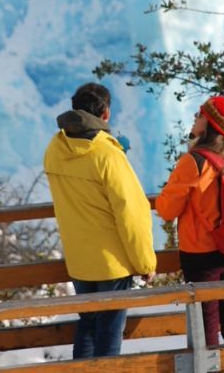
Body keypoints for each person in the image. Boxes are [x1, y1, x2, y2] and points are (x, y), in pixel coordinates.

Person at [43, 82, 157, 358]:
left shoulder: (55, 149)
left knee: (88, 326)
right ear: (105, 113)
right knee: (109, 335)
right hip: (112, 263)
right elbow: (131, 213)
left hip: (79, 258)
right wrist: (145, 263)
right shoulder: (107, 155)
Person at [155, 96, 224, 347]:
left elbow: (167, 209)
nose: (195, 118)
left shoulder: (194, 162)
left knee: (206, 324)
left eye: (200, 115)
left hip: (202, 254)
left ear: (210, 123)